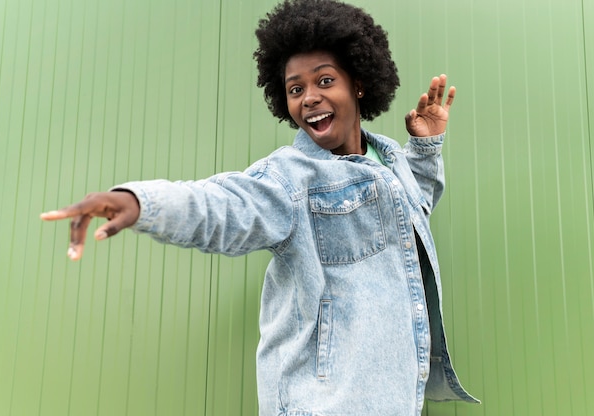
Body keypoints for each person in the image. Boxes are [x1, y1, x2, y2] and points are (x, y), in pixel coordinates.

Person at [41, 0, 478, 414]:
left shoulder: (388, 157)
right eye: (295, 88)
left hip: (391, 398)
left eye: (325, 81)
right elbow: (223, 206)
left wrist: (423, 148)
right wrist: (136, 202)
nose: (308, 97)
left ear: (359, 82)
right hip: (323, 404)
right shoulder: (290, 178)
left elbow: (414, 207)